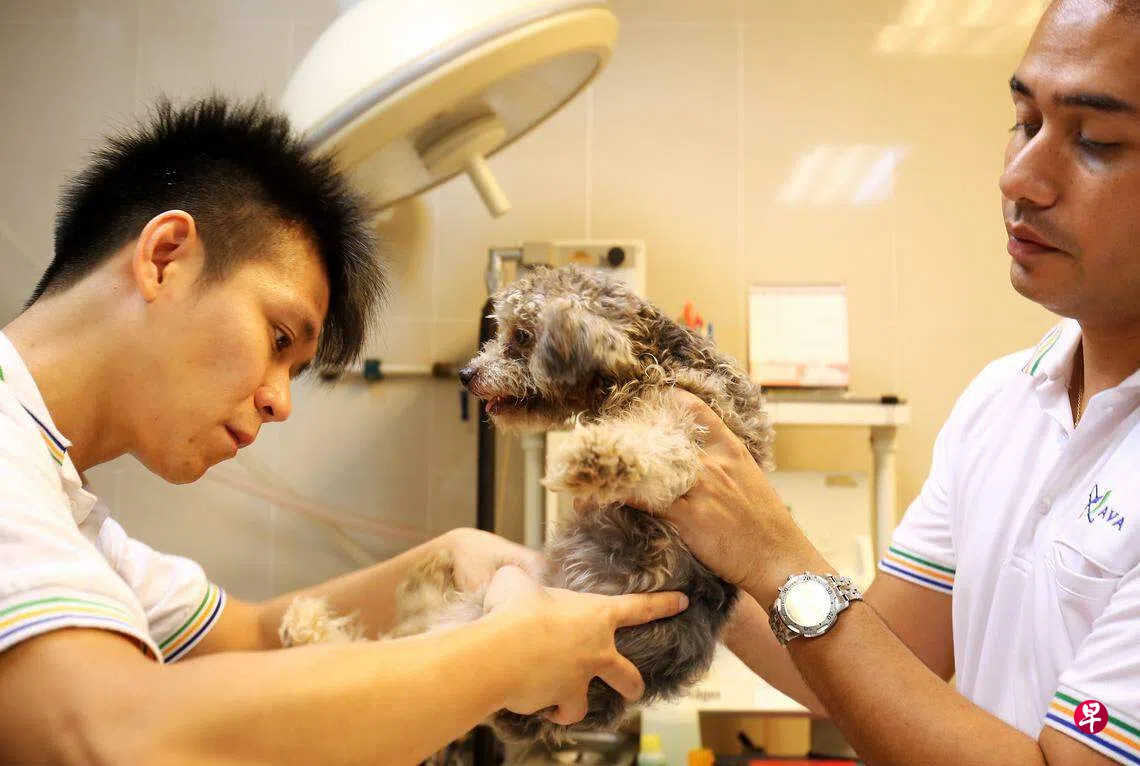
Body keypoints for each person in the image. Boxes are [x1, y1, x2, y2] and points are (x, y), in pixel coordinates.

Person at [0, 96, 688, 765]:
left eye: (293, 369)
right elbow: (105, 737)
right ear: (164, 256)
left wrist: (445, 562)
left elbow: (253, 636)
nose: (279, 403)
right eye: (278, 338)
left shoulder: (69, 511)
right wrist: (508, 655)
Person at [654, 1, 1140, 764]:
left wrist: (777, 553)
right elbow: (868, 670)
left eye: (1096, 141)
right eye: (1024, 121)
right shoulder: (1004, 401)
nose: (1019, 176)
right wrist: (685, 542)